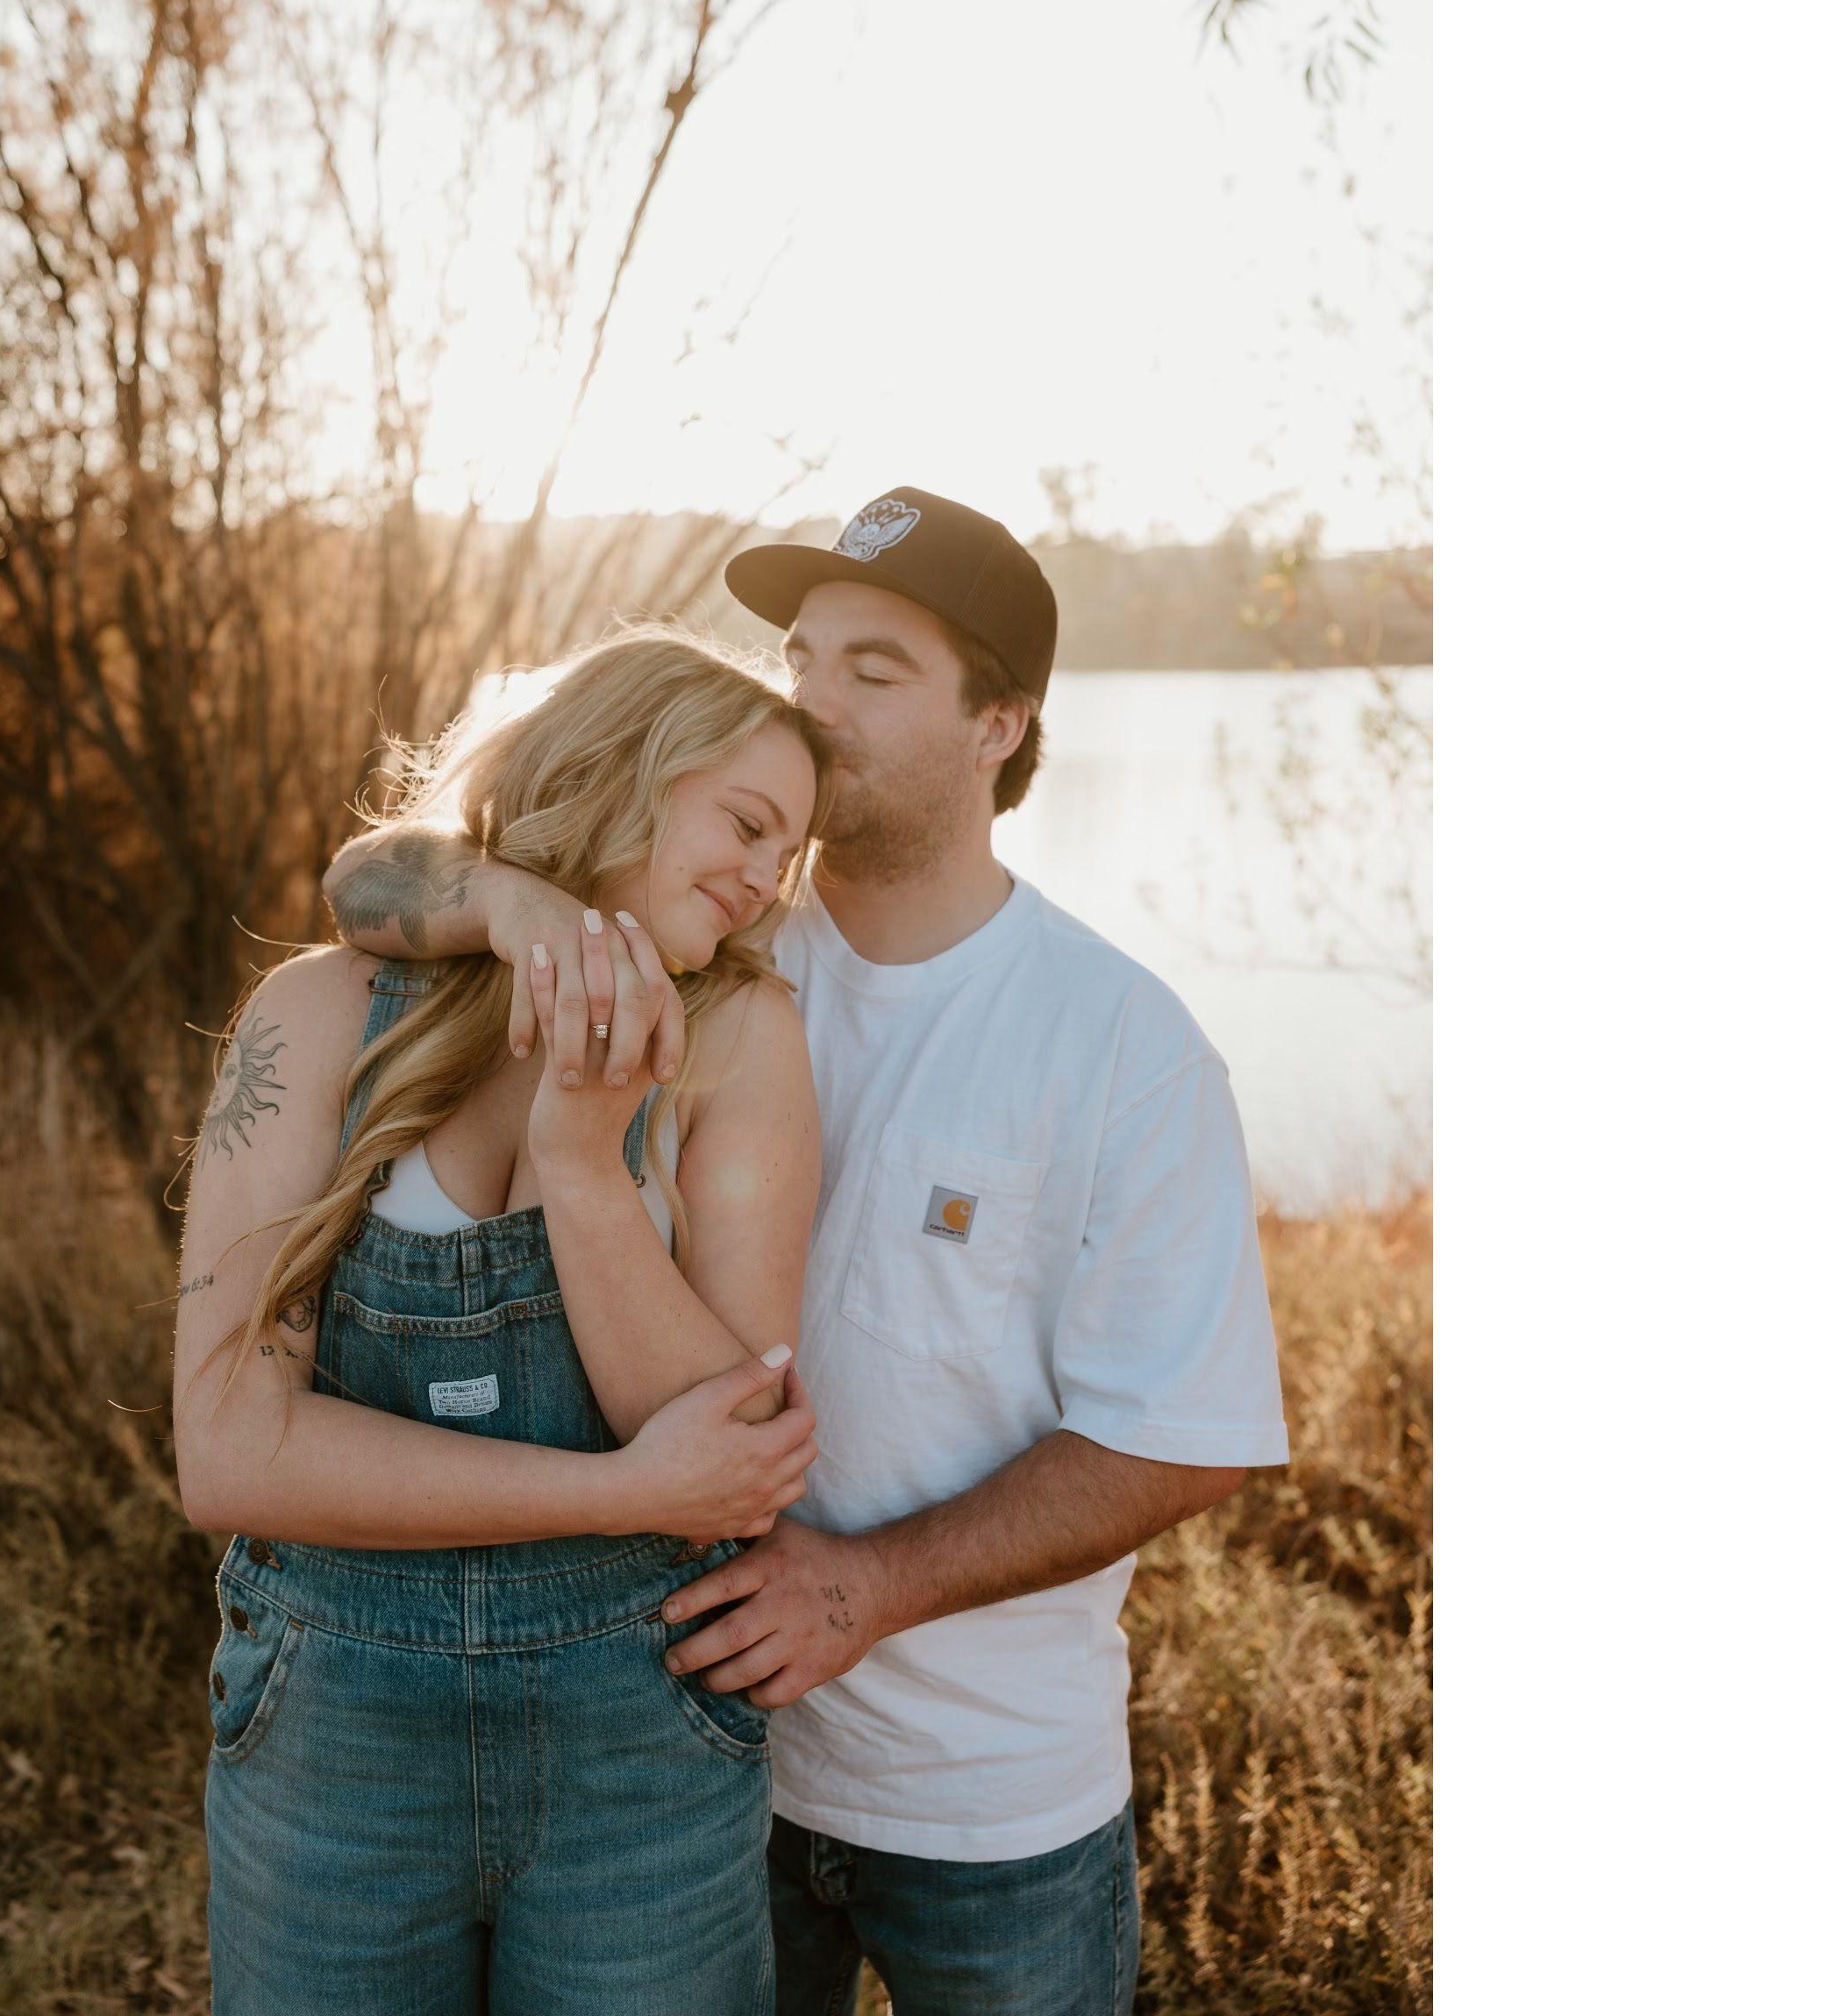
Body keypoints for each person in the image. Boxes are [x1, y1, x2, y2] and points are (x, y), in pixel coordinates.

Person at [324, 486, 1291, 2016]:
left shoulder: (1121, 1044)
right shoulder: (707, 934)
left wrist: (866, 1591)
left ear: (999, 726)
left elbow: (1184, 1438)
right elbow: (365, 886)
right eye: (800, 654)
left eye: (874, 669)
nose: (810, 698)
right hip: (690, 1759)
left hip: (988, 1803)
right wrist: (506, 896)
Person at [174, 624, 840, 2016]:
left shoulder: (739, 1037)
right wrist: (617, 1494)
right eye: (746, 824)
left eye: (789, 854)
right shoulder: (322, 1012)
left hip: (640, 1726)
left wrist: (588, 1168)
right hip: (334, 1727)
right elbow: (230, 1454)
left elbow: (724, 1447)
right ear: (623, 767)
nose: (765, 881)